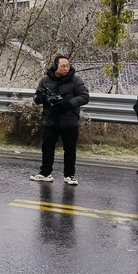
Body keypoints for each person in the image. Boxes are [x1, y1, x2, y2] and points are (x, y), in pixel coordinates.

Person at [29, 56, 90, 185]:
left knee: (70, 149)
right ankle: (45, 173)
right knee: (47, 147)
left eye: (67, 65)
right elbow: (36, 98)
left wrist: (68, 104)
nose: (66, 68)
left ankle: (69, 175)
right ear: (55, 66)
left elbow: (84, 97)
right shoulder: (45, 80)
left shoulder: (75, 80)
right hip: (51, 120)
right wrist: (42, 98)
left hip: (70, 120)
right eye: (63, 66)